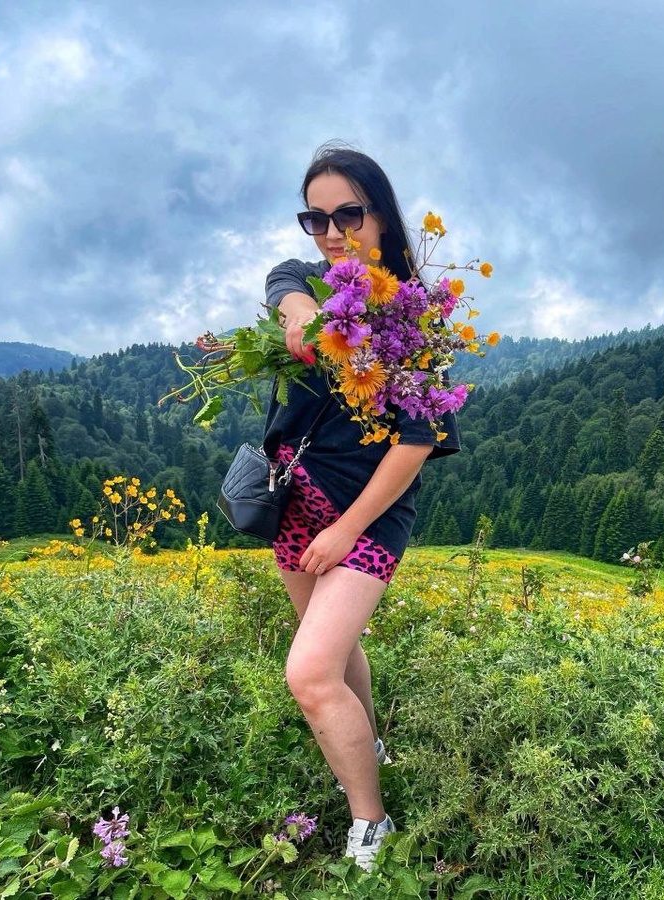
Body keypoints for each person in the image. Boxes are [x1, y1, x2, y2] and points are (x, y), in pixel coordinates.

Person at [262, 145, 460, 871]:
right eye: (315, 218)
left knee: (310, 673)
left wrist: (347, 531)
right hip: (293, 500)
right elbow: (283, 281)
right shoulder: (312, 281)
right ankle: (367, 744)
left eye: (348, 213)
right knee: (336, 652)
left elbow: (417, 441)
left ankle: (370, 823)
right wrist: (302, 313)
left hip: (366, 516)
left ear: (382, 216)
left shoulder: (414, 319)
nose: (331, 232)